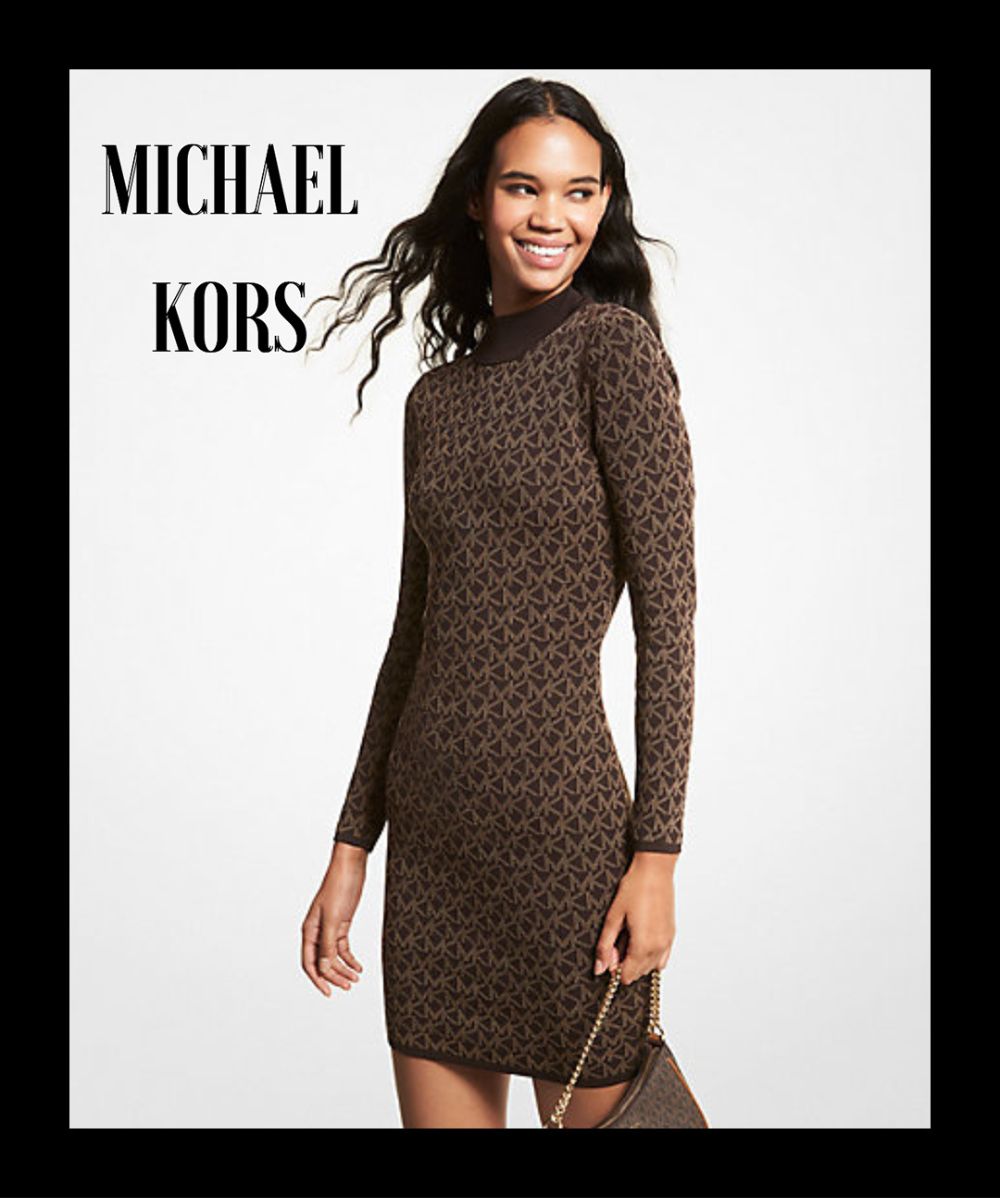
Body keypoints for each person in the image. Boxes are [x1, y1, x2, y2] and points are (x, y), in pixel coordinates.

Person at [300, 76, 697, 1129]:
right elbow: (411, 639)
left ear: (602, 205)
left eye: (579, 192)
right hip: (433, 853)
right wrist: (352, 847)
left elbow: (668, 622)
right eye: (524, 187)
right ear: (479, 199)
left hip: (565, 842)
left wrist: (656, 854)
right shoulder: (434, 403)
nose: (550, 216)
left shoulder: (613, 355)